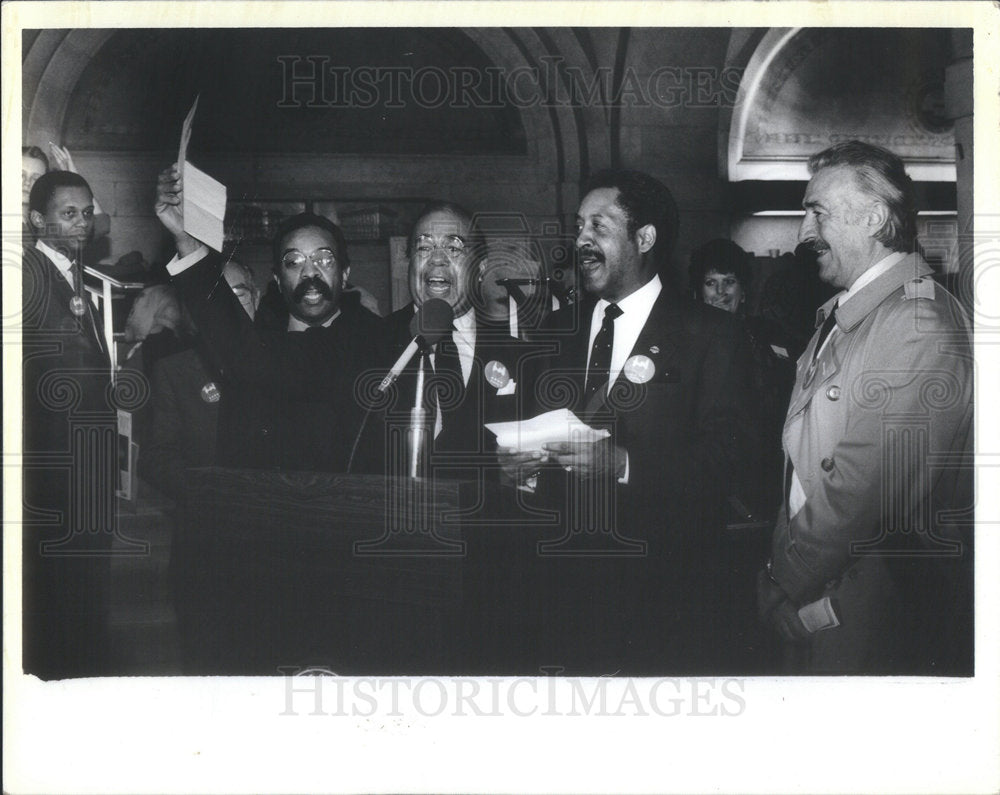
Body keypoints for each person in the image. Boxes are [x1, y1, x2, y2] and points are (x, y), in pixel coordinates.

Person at [502, 169, 754, 674]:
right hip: (558, 595)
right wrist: (518, 472)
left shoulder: (711, 334)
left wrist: (623, 464)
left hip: (662, 599)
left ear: (645, 238)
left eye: (598, 225)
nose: (581, 241)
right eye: (578, 227)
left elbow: (729, 460)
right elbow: (530, 429)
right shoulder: (555, 329)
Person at [757, 141, 973, 674]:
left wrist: (780, 580)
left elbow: (860, 493)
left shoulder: (916, 326)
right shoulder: (849, 314)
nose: (804, 233)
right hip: (826, 587)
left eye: (817, 212)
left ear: (874, 218)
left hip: (864, 601)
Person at [154, 163, 385, 473]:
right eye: (294, 262)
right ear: (276, 279)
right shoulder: (256, 347)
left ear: (344, 275)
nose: (310, 272)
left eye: (323, 259)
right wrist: (186, 240)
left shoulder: (378, 341)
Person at [22, 170, 116, 678]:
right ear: (38, 220)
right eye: (69, 213)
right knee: (62, 607)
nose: (83, 223)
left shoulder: (74, 273)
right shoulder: (28, 275)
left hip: (85, 472)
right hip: (55, 476)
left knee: (84, 600)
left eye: (87, 212)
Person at [382, 202, 531, 472]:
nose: (437, 259)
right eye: (424, 247)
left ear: (482, 268)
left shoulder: (521, 358)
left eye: (454, 248)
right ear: (409, 262)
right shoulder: (372, 342)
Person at [689, 238, 796, 521]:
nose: (721, 292)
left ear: (744, 290)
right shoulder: (685, 343)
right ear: (699, 291)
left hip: (763, 477)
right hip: (707, 481)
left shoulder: (769, 336)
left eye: (730, 281)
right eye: (711, 283)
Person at [141, 261, 258, 501]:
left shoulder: (286, 362)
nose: (229, 308)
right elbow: (158, 457)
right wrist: (206, 493)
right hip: (209, 517)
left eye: (239, 295)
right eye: (214, 297)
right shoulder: (174, 372)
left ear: (257, 298)